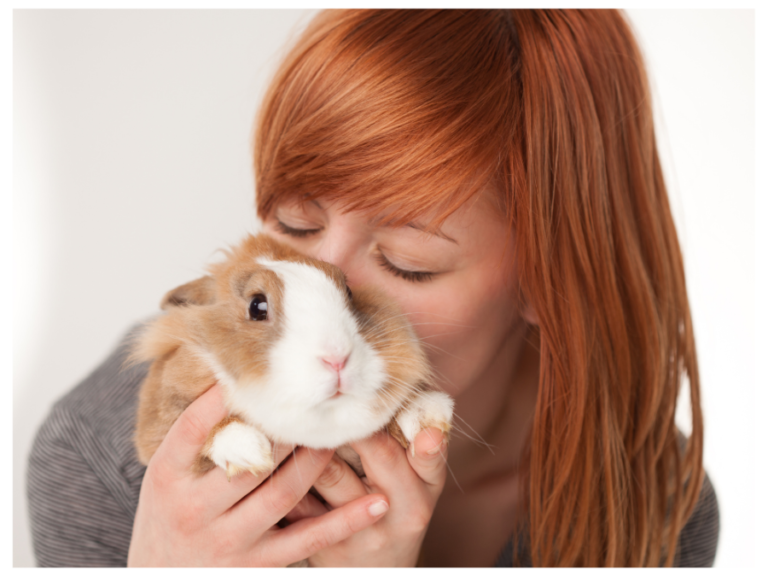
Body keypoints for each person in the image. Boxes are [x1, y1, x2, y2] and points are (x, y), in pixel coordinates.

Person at [27, 9, 719, 567]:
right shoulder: (102, 460)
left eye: (406, 263)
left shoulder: (653, 508)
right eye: (295, 224)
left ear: (549, 285)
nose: (324, 289)